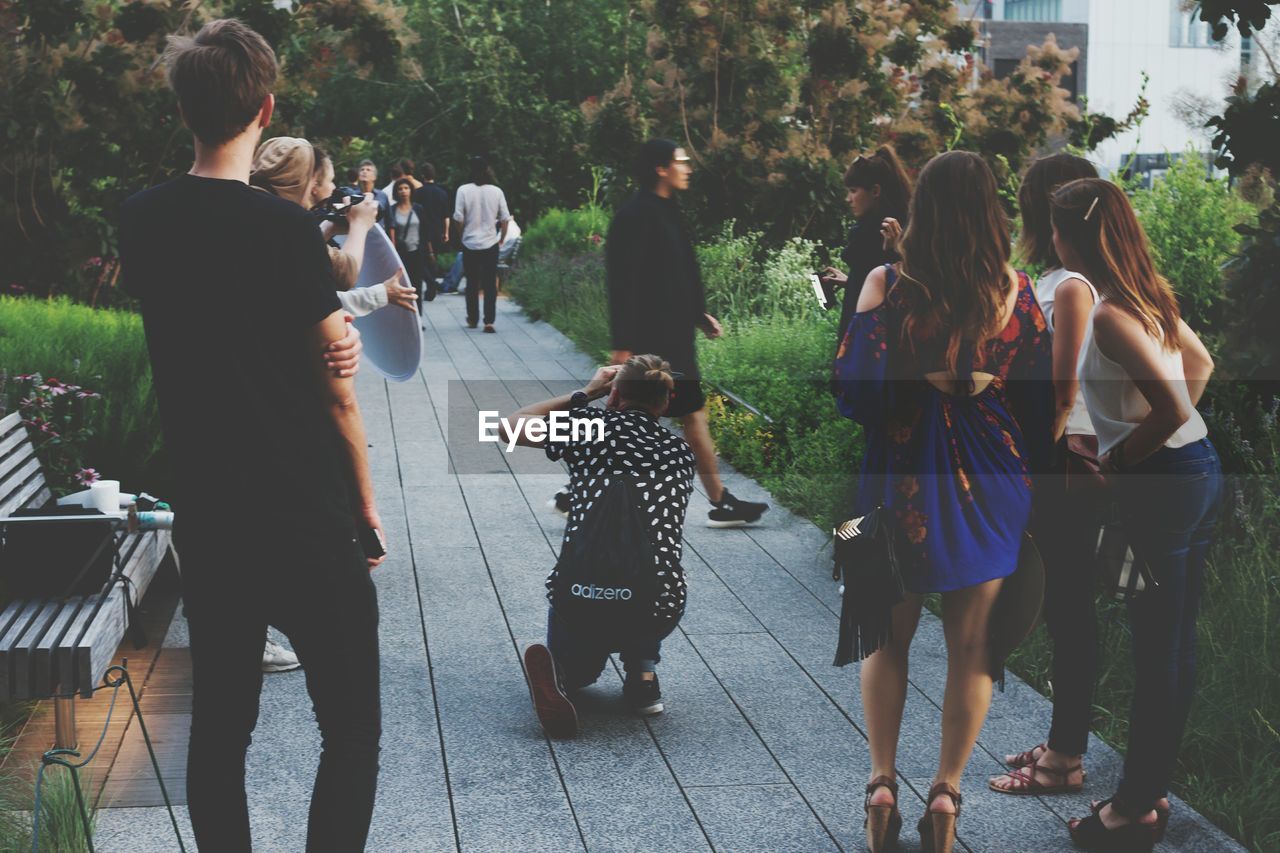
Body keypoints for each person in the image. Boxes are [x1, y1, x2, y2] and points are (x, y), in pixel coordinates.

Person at [118, 20, 385, 851]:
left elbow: (217, 327)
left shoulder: (142, 220)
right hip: (302, 509)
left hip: (213, 514)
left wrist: (321, 326)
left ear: (183, 108)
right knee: (349, 730)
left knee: (221, 732)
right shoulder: (284, 232)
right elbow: (336, 394)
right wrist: (366, 513)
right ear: (266, 108)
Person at [837, 151, 1052, 853]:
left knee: (885, 636)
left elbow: (853, 391)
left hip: (897, 472)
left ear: (921, 210)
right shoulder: (1018, 293)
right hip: (992, 479)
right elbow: (1039, 401)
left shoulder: (887, 283)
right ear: (991, 211)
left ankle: (880, 784)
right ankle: (947, 791)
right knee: (972, 645)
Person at [1051, 178, 1221, 852]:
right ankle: (1146, 793)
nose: (1052, 239)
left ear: (1075, 236)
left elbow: (1172, 405)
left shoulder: (1110, 314)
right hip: (1197, 471)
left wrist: (1123, 458)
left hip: (1161, 485)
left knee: (1156, 650)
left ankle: (1131, 812)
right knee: (1173, 645)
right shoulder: (1146, 295)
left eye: (1056, 228)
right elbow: (1200, 366)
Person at [990, 153, 1104, 800]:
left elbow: (1060, 394)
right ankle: (1065, 739)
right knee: (1067, 607)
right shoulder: (1089, 280)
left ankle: (1065, 755)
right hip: (1081, 457)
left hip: (1064, 463)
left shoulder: (1065, 286)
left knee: (1068, 608)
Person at [507, 357, 696, 736]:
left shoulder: (589, 428)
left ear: (614, 396)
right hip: (657, 606)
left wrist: (586, 392)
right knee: (655, 566)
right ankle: (644, 677)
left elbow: (508, 426)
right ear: (667, 400)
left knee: (579, 669)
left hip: (583, 596)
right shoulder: (680, 453)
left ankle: (567, 676)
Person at [606, 138, 769, 528]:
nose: (688, 167)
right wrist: (622, 345)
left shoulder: (668, 211)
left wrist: (699, 314)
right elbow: (622, 283)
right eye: (681, 161)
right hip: (651, 342)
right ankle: (720, 501)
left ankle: (720, 500)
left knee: (678, 417)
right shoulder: (634, 216)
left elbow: (680, 272)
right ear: (661, 168)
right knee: (665, 418)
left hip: (675, 337)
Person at [305, 147, 417, 317]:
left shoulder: (380, 196)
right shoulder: (299, 225)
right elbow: (345, 276)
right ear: (313, 185)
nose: (334, 187)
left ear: (375, 176)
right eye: (331, 180)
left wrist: (331, 226)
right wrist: (356, 222)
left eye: (368, 169)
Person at [821, 146, 913, 346]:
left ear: (875, 191)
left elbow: (904, 285)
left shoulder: (877, 231)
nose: (848, 199)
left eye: (853, 191)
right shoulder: (900, 225)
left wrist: (895, 251)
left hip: (869, 337)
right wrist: (851, 281)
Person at [453, 155, 511, 332]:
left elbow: (458, 218)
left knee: (471, 282)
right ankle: (489, 321)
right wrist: (501, 237)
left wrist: (461, 235)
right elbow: (505, 218)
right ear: (488, 170)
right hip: (490, 243)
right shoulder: (496, 191)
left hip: (470, 243)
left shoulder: (463, 190)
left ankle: (472, 318)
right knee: (489, 283)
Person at [388, 178, 429, 302]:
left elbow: (424, 230)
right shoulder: (393, 209)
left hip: (417, 252)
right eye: (400, 189)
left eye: (406, 188)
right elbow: (390, 230)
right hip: (401, 253)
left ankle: (418, 315)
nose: (403, 191)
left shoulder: (418, 209)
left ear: (411, 190)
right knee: (402, 285)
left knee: (417, 285)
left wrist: (428, 251)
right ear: (396, 192)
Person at [413, 161, 450, 287]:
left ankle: (429, 282)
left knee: (423, 258)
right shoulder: (442, 193)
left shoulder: (418, 193)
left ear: (422, 175)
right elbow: (446, 216)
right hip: (437, 229)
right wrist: (446, 232)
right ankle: (432, 281)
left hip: (422, 230)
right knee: (434, 257)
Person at [356, 158, 392, 232]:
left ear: (374, 177)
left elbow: (390, 222)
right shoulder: (353, 196)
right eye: (362, 170)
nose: (364, 172)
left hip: (378, 237)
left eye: (368, 170)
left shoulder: (382, 195)